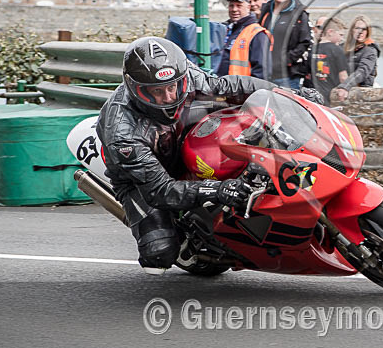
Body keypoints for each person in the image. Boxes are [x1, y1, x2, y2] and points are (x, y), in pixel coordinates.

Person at [97, 36, 322, 274]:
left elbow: (230, 88)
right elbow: (161, 191)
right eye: (157, 92)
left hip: (184, 138)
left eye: (172, 87)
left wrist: (289, 95)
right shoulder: (122, 131)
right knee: (159, 252)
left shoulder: (187, 77)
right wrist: (217, 190)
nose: (169, 97)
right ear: (137, 90)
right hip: (143, 177)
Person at [258, 0, 312, 89]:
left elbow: (305, 42)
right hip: (265, 73)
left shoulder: (299, 14)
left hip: (288, 75)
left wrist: (286, 60)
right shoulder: (266, 10)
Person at [215, 0, 272, 80]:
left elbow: (262, 71)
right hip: (221, 87)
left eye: (239, 6)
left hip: (240, 90)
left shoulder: (257, 33)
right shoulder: (225, 28)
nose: (234, 9)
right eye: (231, 6)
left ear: (248, 7)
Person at [333, 15, 379, 102]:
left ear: (368, 31)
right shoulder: (342, 47)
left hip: (361, 93)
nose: (360, 32)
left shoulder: (370, 50)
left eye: (364, 29)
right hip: (340, 90)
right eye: (357, 28)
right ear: (352, 30)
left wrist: (345, 86)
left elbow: (362, 71)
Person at [310, 18, 349, 105]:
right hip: (328, 94)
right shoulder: (337, 50)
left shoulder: (312, 49)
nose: (341, 39)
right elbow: (343, 77)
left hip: (312, 93)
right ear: (330, 32)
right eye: (340, 35)